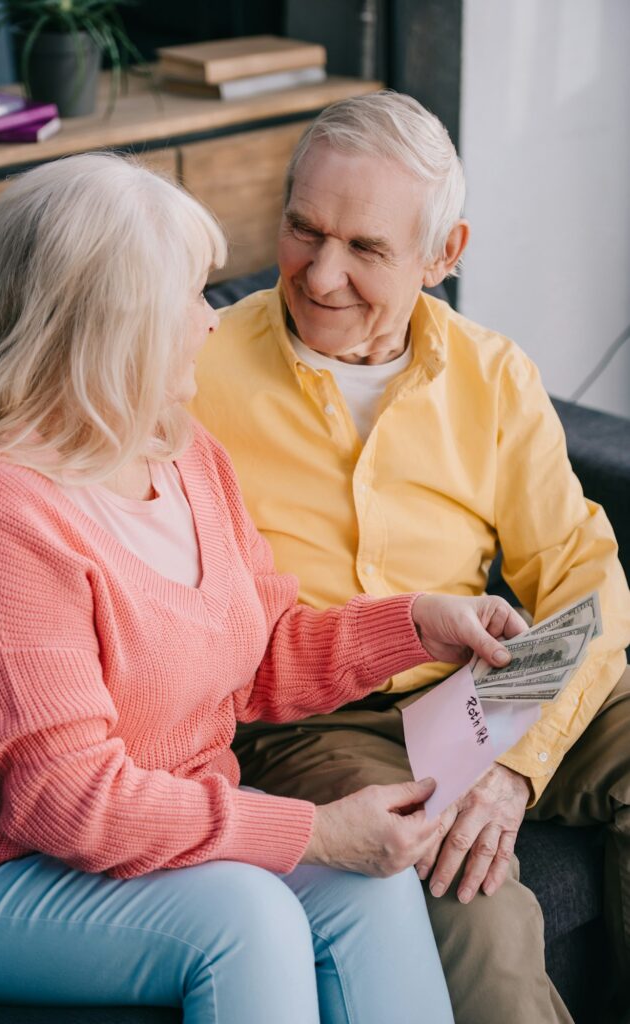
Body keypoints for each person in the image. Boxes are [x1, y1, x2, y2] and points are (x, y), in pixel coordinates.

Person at [0, 152, 529, 1024]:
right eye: (190, 297)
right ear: (118, 322)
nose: (211, 322)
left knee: (366, 888)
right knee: (246, 917)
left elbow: (258, 658)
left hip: (169, 827)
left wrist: (417, 624)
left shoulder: (182, 452)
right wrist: (314, 828)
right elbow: (64, 799)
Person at [190, 91, 630, 1024]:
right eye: (303, 229)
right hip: (319, 722)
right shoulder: (196, 365)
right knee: (470, 896)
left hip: (485, 686)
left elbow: (585, 577)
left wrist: (519, 763)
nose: (320, 273)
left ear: (444, 256)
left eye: (367, 248)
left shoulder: (493, 375)